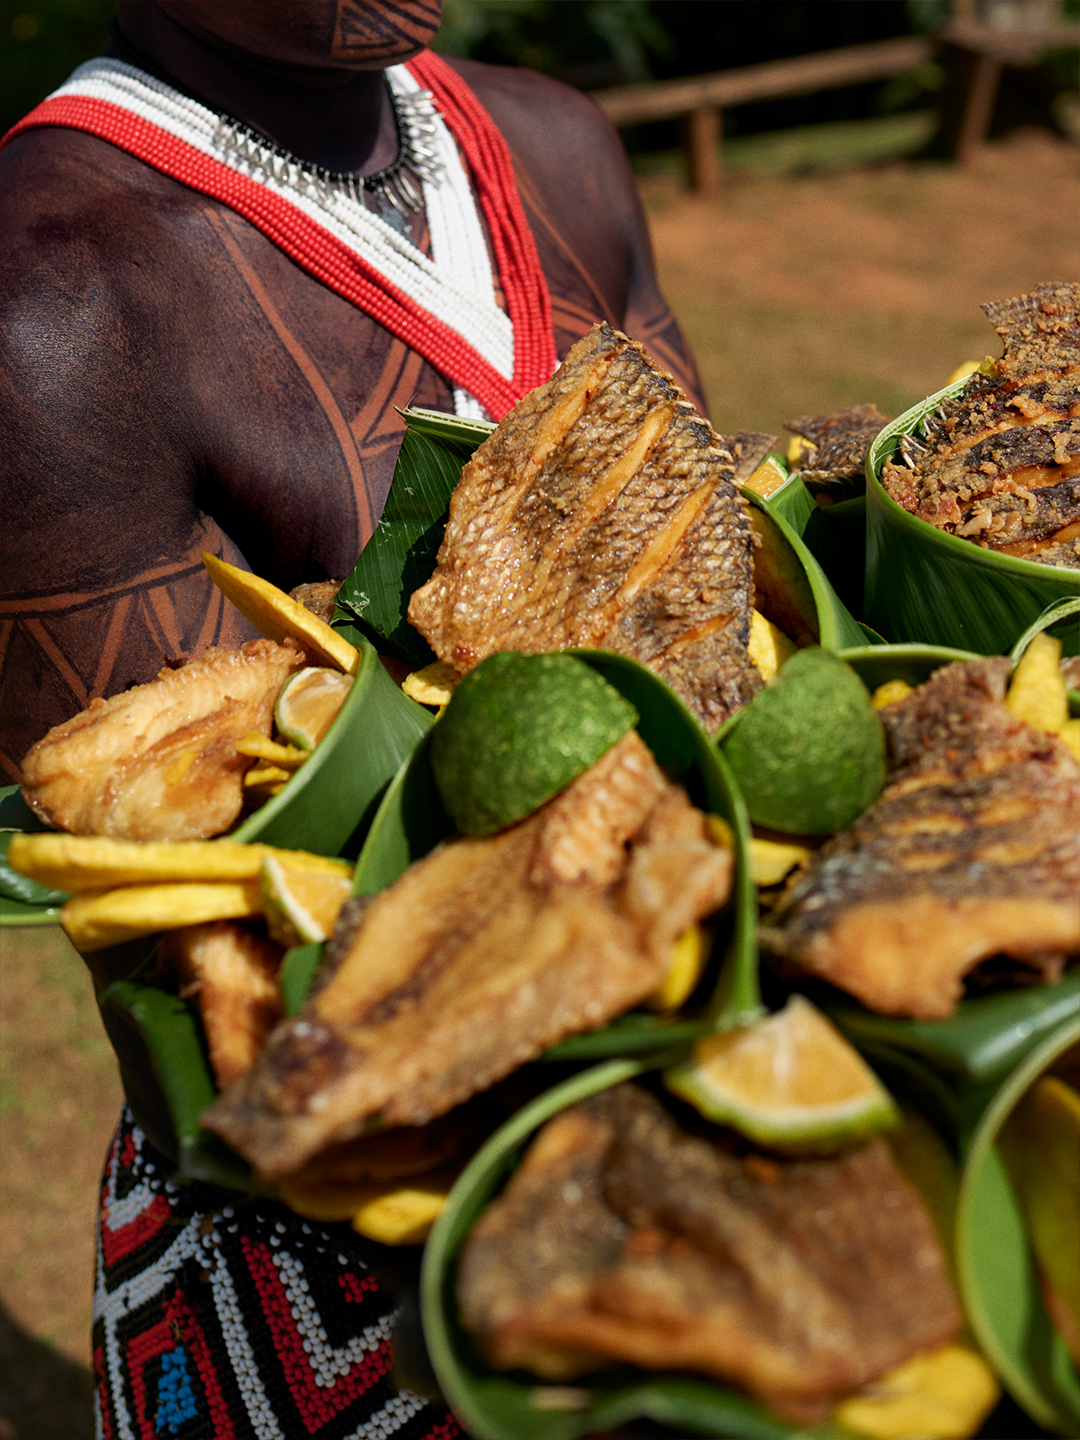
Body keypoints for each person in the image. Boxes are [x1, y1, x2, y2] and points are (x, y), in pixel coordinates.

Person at [0, 4, 705, 1436]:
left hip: (694, 1146)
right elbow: (220, 1019)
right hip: (332, 1288)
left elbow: (713, 620)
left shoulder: (556, 145)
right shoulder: (49, 301)